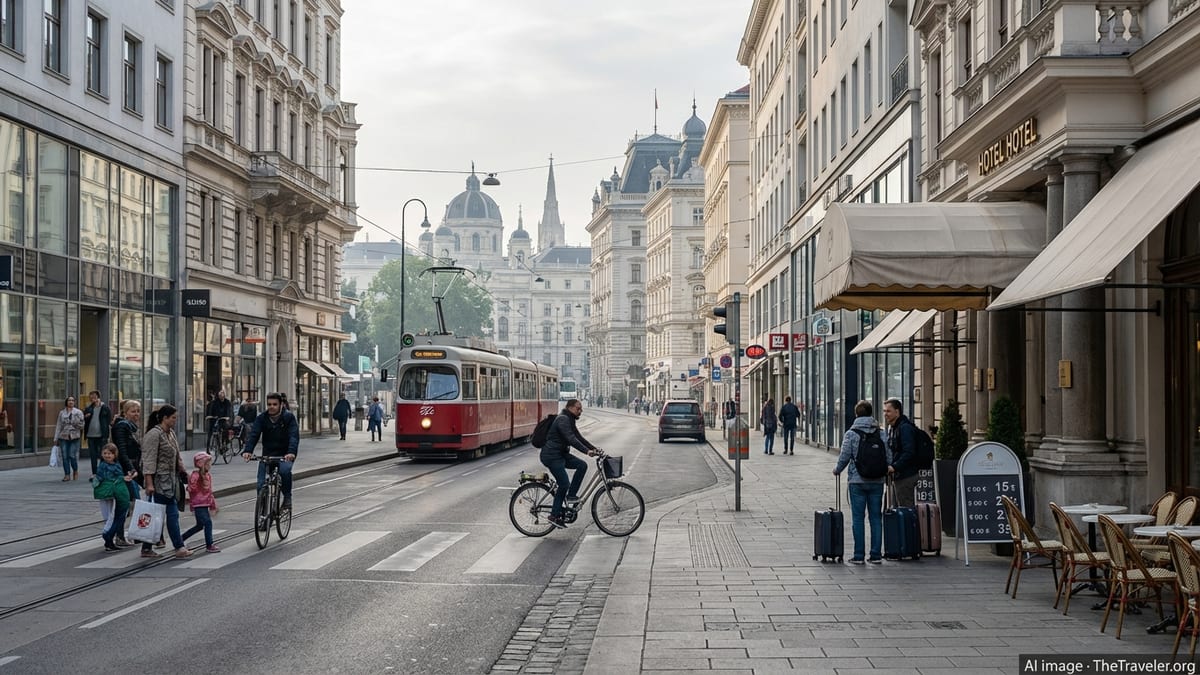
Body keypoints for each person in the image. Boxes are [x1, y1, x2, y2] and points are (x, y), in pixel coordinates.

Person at [832, 400, 892, 565]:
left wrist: (837, 469)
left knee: (858, 518)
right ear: (871, 413)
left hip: (857, 480)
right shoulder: (881, 433)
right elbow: (888, 456)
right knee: (875, 517)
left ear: (856, 414)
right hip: (877, 480)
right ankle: (876, 555)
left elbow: (844, 456)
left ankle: (859, 555)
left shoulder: (851, 433)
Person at [539, 398, 600, 529]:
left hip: (560, 454)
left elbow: (578, 437)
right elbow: (571, 439)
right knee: (564, 484)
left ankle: (571, 495)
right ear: (570, 407)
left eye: (581, 409)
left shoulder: (569, 419)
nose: (581, 411)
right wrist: (586, 451)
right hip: (552, 456)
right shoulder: (563, 419)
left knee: (582, 465)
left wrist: (594, 449)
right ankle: (554, 516)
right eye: (578, 409)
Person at [140, 404, 192, 559]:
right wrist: (149, 483)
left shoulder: (170, 434)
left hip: (171, 480)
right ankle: (179, 547)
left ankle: (147, 547)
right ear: (165, 418)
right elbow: (148, 460)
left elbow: (177, 455)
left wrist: (184, 472)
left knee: (159, 515)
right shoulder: (154, 435)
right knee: (170, 513)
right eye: (174, 417)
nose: (176, 420)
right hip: (159, 482)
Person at [242, 392, 300, 509]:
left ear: (281, 405)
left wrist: (291, 452)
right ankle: (262, 510)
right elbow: (254, 434)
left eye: (274, 404)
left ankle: (287, 497)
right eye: (269, 404)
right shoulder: (262, 418)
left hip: (285, 454)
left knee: (284, 472)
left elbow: (293, 436)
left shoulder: (288, 417)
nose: (271, 407)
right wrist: (248, 450)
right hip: (268, 454)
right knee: (260, 483)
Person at [95, 443, 134, 552]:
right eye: (105, 453)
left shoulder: (116, 464)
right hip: (109, 493)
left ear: (114, 455)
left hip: (115, 493)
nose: (107, 455)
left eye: (110, 454)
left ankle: (109, 539)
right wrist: (122, 478)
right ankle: (107, 536)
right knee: (110, 515)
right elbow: (106, 477)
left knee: (114, 516)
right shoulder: (103, 465)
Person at [883, 397, 919, 509]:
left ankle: (909, 527)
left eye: (888, 411)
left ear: (897, 412)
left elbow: (909, 452)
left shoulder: (904, 428)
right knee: (896, 507)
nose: (885, 414)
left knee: (905, 509)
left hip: (906, 475)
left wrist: (894, 466)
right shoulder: (893, 428)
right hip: (898, 475)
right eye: (884, 411)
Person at [182, 451, 220, 553]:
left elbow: (209, 492)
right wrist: (191, 484)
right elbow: (191, 489)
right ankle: (209, 544)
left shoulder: (207, 476)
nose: (210, 465)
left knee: (199, 526)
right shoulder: (196, 476)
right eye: (208, 463)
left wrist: (213, 505)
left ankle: (181, 539)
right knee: (208, 523)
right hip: (198, 504)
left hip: (205, 503)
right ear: (202, 464)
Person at [111, 400, 142, 505]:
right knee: (132, 498)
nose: (136, 414)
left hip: (134, 464)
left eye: (138, 411)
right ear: (125, 413)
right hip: (126, 466)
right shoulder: (122, 426)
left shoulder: (132, 426)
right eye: (133, 411)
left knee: (133, 496)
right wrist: (131, 468)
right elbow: (122, 450)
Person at [54, 396, 85, 482]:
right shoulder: (62, 413)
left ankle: (75, 470)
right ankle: (67, 474)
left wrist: (75, 423)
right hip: (63, 436)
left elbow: (82, 425)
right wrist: (56, 438)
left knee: (72, 455)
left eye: (72, 400)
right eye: (69, 400)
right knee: (64, 456)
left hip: (74, 436)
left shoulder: (78, 412)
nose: (71, 402)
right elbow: (58, 425)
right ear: (66, 402)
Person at [83, 390, 112, 477]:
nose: (92, 399)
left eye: (94, 397)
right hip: (91, 435)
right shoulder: (89, 409)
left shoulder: (105, 408)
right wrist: (86, 417)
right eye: (91, 398)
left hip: (101, 435)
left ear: (98, 397)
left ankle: (103, 472)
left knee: (103, 454)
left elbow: (108, 421)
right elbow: (84, 421)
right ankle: (94, 473)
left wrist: (106, 434)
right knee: (93, 455)